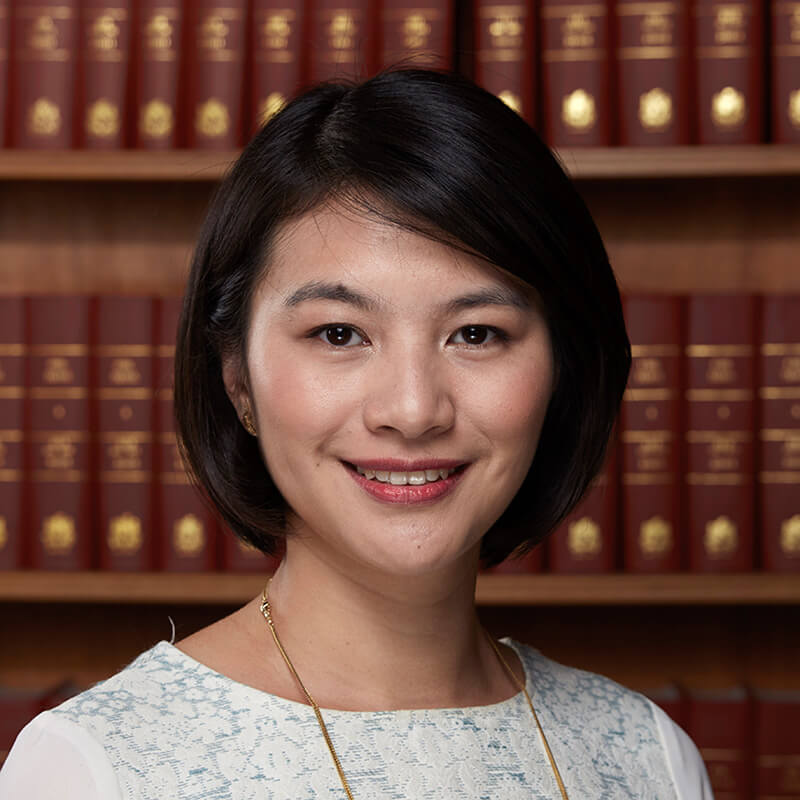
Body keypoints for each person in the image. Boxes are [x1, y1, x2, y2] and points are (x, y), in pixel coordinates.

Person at [0, 68, 711, 799]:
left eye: (476, 333)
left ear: (564, 369)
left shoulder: (646, 755)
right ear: (237, 378)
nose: (411, 409)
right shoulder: (95, 766)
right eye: (339, 333)